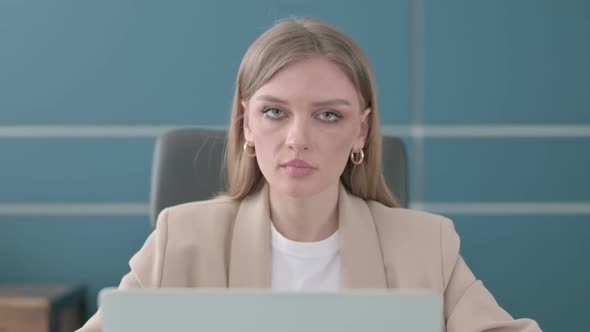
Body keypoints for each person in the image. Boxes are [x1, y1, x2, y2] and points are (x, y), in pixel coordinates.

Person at [77, 17, 541, 332]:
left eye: (328, 116)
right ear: (247, 125)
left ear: (361, 130)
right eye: (275, 111)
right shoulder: (180, 239)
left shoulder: (426, 246)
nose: (298, 138)